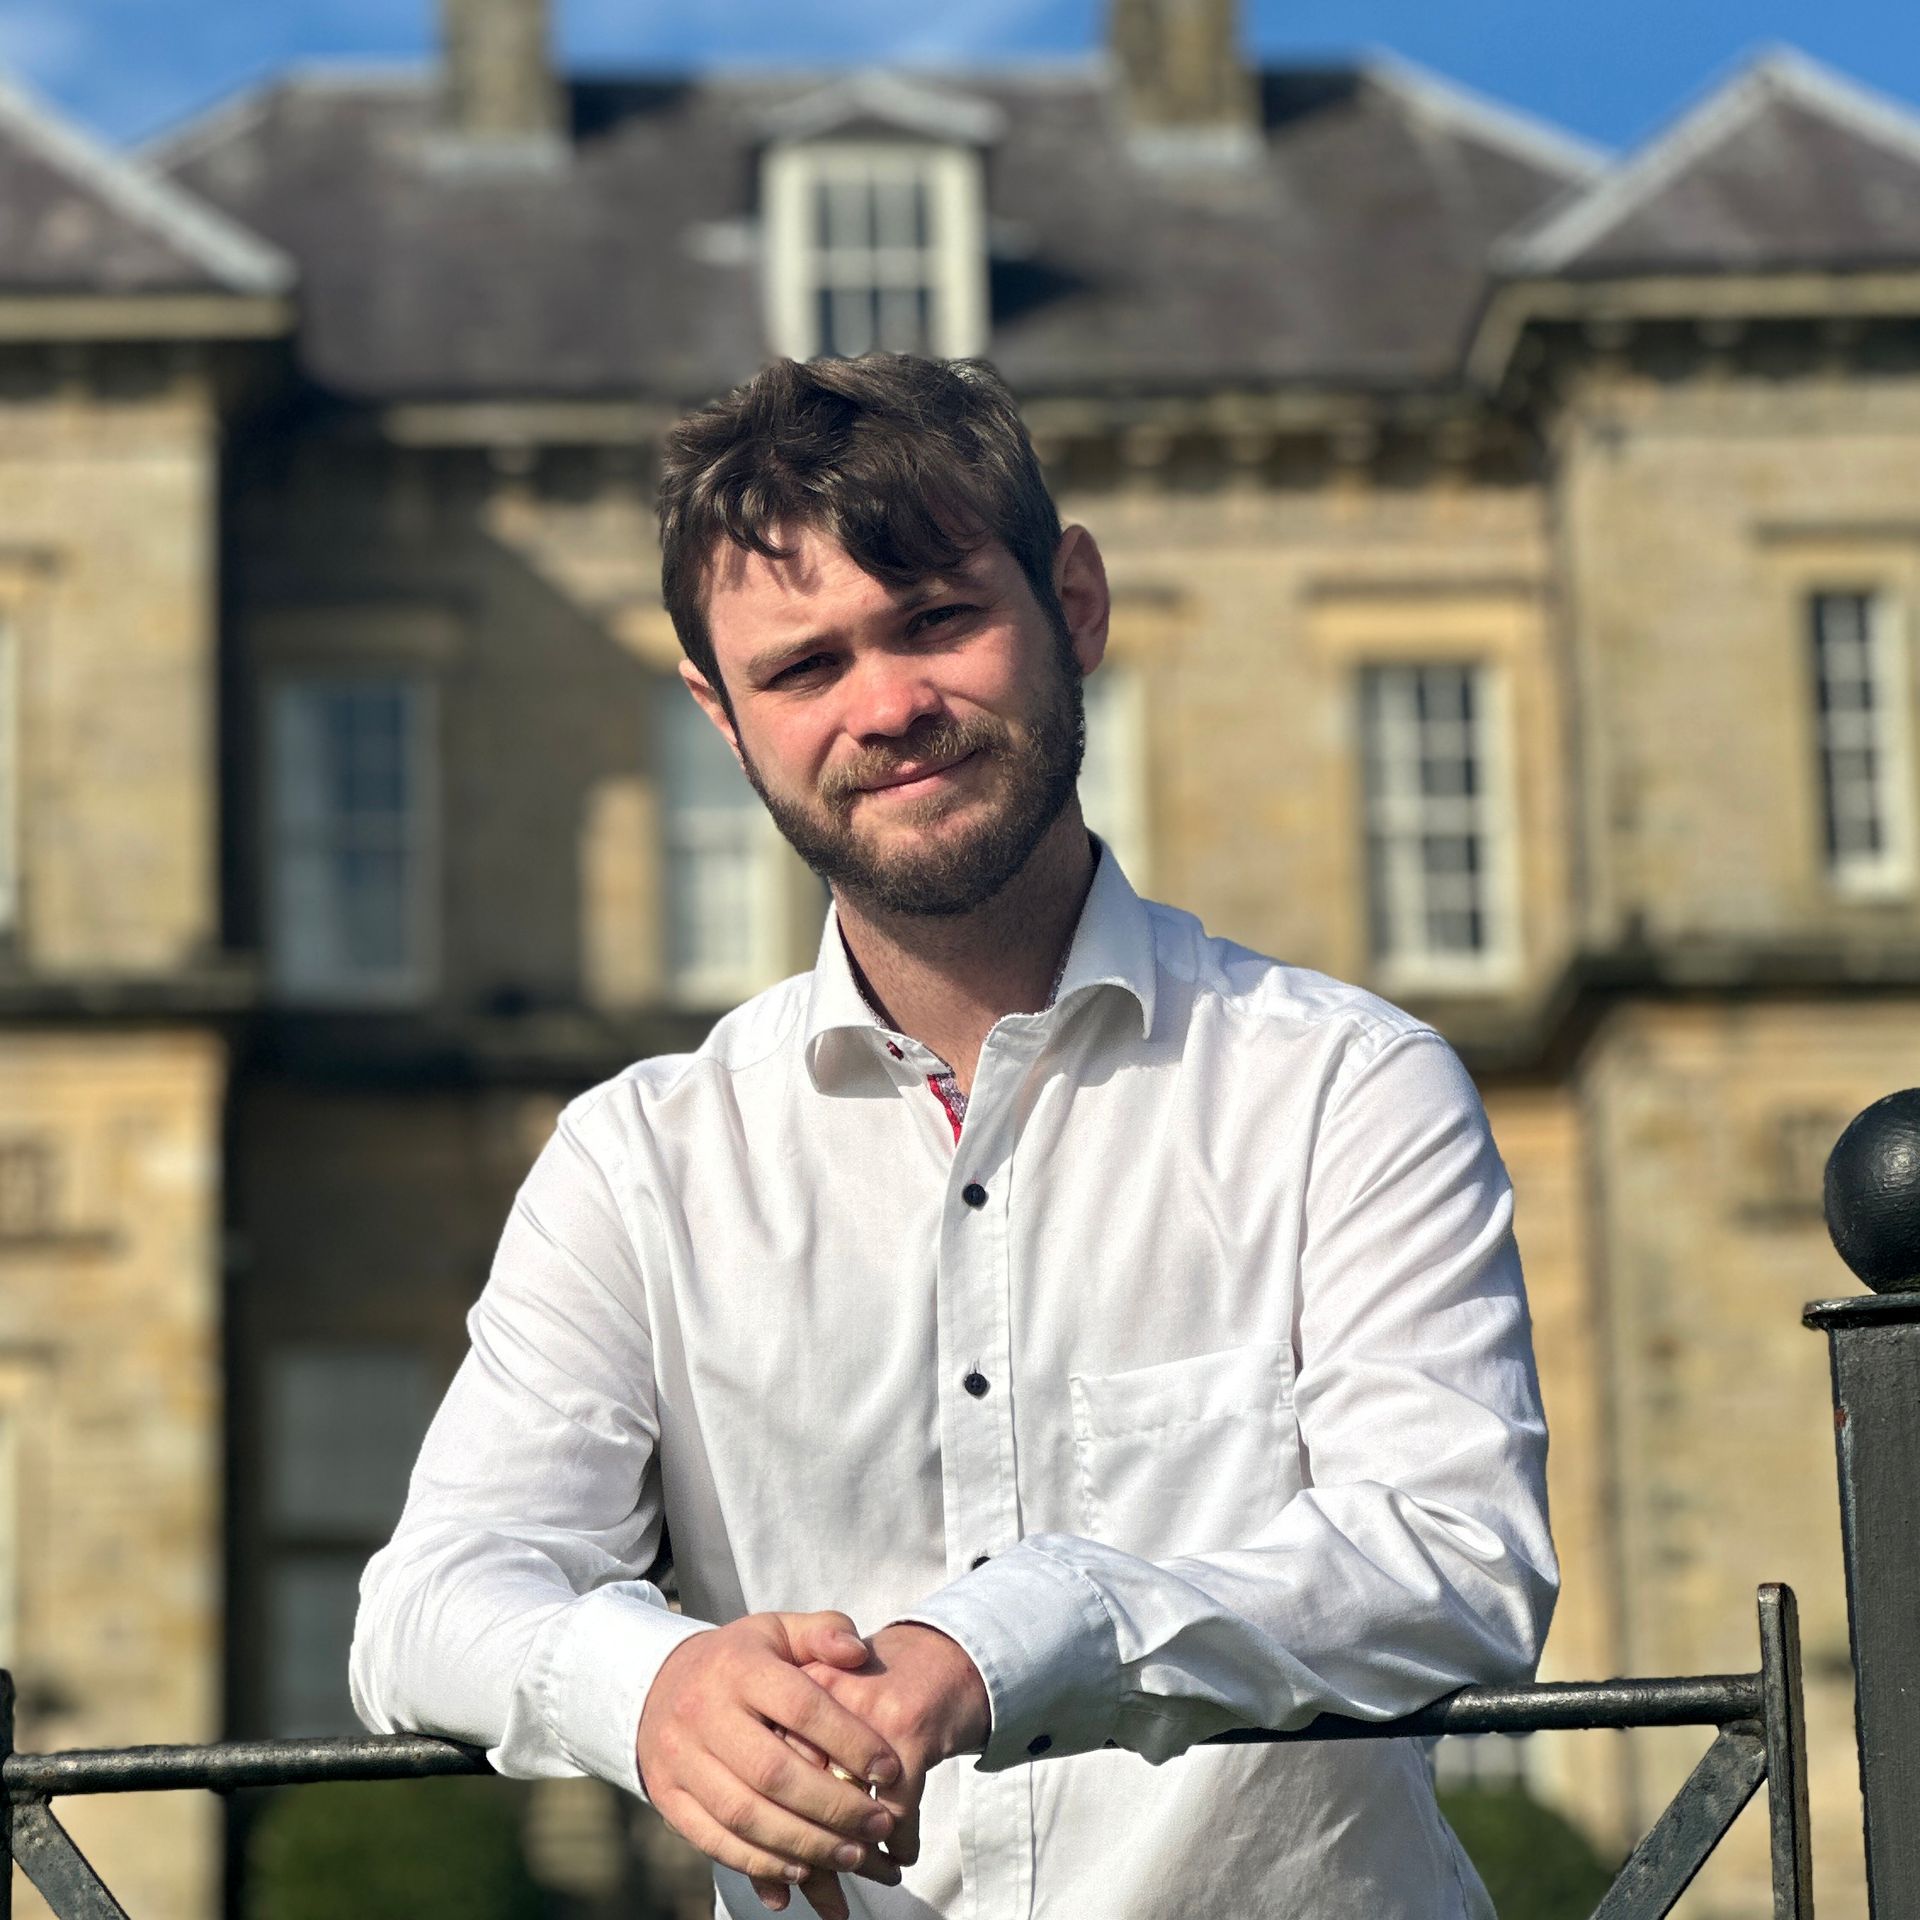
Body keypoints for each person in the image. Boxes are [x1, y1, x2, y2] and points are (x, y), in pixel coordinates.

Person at [350, 353, 1558, 1920]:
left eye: (935, 621)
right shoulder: (638, 1164)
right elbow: (425, 1603)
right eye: (803, 670)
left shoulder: (1344, 1088)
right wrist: (652, 1691)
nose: (888, 707)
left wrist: (1009, 1639)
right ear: (722, 723)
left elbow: (1456, 1558)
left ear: (1077, 602)